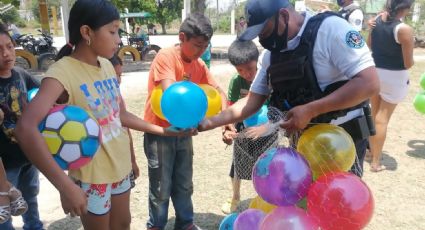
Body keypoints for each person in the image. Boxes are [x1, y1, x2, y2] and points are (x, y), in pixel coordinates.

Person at [14, 1, 192, 229]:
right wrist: (65, 186)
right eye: (112, 31)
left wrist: (164, 131)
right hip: (92, 176)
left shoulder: (106, 66)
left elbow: (120, 115)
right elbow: (25, 128)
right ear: (87, 32)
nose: (118, 39)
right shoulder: (61, 72)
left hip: (120, 167)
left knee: (123, 225)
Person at [199, 0, 380, 178]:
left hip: (342, 143)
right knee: (302, 204)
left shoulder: (330, 29)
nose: (263, 39)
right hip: (303, 145)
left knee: (336, 203)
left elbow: (369, 83)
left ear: (284, 16)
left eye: (266, 32)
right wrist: (207, 123)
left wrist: (312, 110)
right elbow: (251, 100)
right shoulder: (271, 56)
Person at [143, 12, 227, 230]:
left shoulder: (199, 65)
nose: (202, 51)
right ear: (182, 37)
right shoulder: (166, 56)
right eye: (198, 45)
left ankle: (185, 223)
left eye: (205, 46)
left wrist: (227, 121)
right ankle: (156, 225)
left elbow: (217, 91)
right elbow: (172, 95)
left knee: (184, 183)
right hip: (160, 132)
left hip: (185, 133)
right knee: (161, 187)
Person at [220, 40, 278, 214]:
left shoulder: (269, 79)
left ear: (258, 62)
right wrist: (228, 129)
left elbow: (277, 111)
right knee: (237, 166)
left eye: (250, 69)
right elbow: (231, 108)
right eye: (240, 70)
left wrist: (265, 128)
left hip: (268, 130)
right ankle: (235, 197)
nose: (246, 74)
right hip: (244, 130)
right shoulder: (236, 82)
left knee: (268, 168)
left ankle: (267, 198)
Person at [0, 23, 43, 229]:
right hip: (4, 164)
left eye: (9, 46)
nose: (6, 54)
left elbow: (44, 93)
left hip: (28, 154)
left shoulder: (20, 74)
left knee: (31, 198)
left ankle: (34, 226)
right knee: (3, 209)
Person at [367, 0, 414, 172]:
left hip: (375, 71)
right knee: (383, 118)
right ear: (406, 8)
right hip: (394, 76)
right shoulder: (404, 29)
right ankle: (376, 162)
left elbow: (368, 45)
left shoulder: (376, 19)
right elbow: (408, 63)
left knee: (374, 114)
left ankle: (371, 153)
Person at [109, 54, 139, 187]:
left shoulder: (118, 97)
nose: (118, 80)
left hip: (122, 165)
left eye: (120, 75)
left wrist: (132, 160)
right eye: (114, 75)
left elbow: (126, 129)